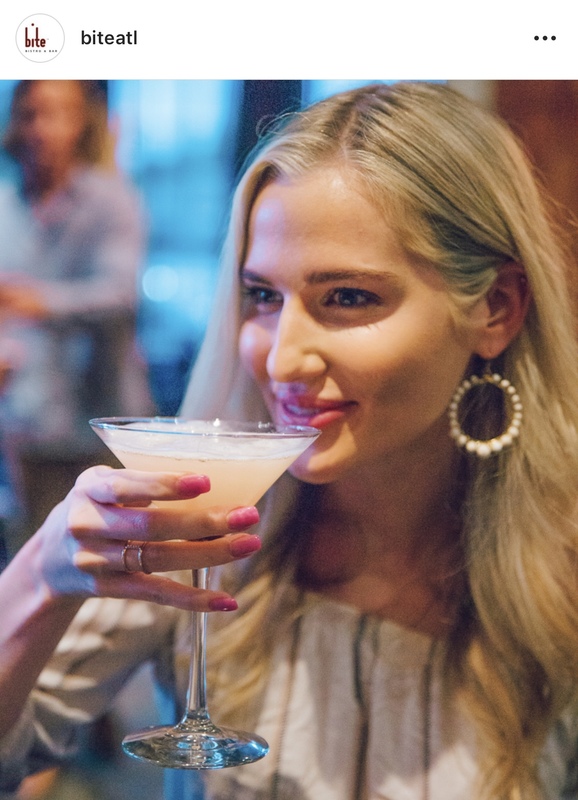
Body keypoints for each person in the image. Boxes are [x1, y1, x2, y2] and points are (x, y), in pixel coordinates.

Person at [0, 82, 577, 800]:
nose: (281, 359)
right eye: (263, 296)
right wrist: (41, 578)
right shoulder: (199, 529)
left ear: (496, 308)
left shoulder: (562, 576)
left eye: (348, 297)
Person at [0, 79, 151, 537]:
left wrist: (39, 301)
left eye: (57, 113)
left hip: (97, 418)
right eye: (31, 114)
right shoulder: (5, 203)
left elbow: (120, 294)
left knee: (106, 550)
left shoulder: (111, 200)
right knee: (32, 546)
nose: (41, 128)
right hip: (26, 419)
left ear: (82, 123)